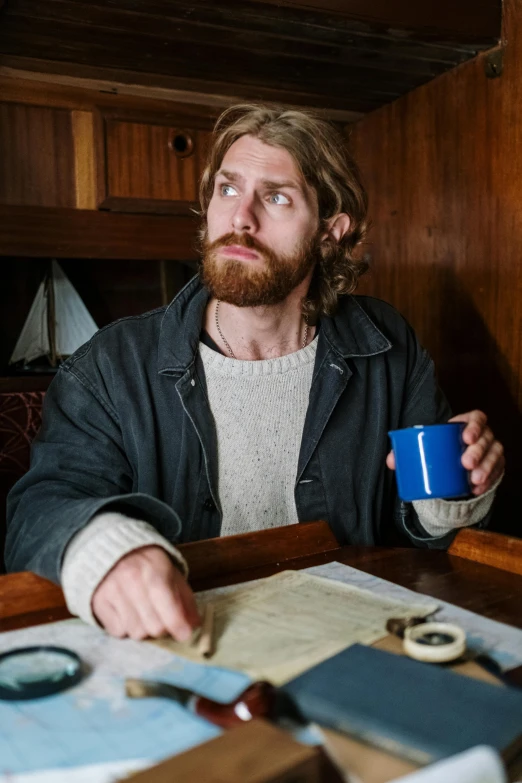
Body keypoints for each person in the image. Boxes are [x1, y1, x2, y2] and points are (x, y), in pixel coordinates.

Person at [5, 104, 504, 643]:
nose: (241, 217)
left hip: (349, 637)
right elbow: (39, 508)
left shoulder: (387, 343)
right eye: (226, 189)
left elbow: (423, 533)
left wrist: (456, 493)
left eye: (276, 197)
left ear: (329, 234)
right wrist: (103, 549)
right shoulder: (111, 362)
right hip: (181, 641)